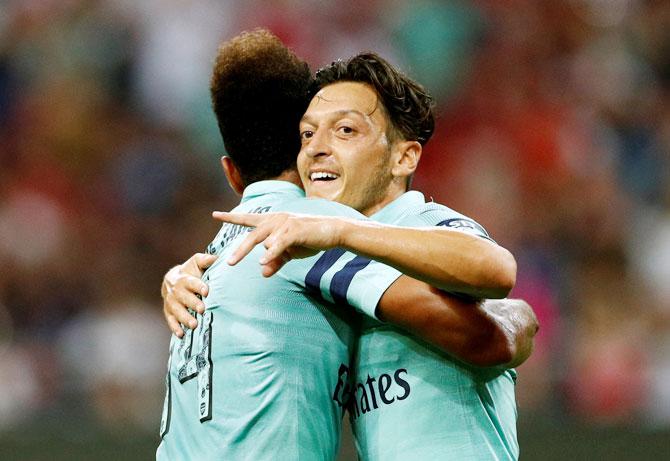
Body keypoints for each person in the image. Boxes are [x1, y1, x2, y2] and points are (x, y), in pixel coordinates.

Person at [159, 30, 537, 460]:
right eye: (305, 135)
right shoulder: (311, 250)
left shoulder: (420, 221)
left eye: (345, 130)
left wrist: (341, 231)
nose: (318, 148)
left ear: (403, 157)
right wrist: (174, 277)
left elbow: (499, 279)